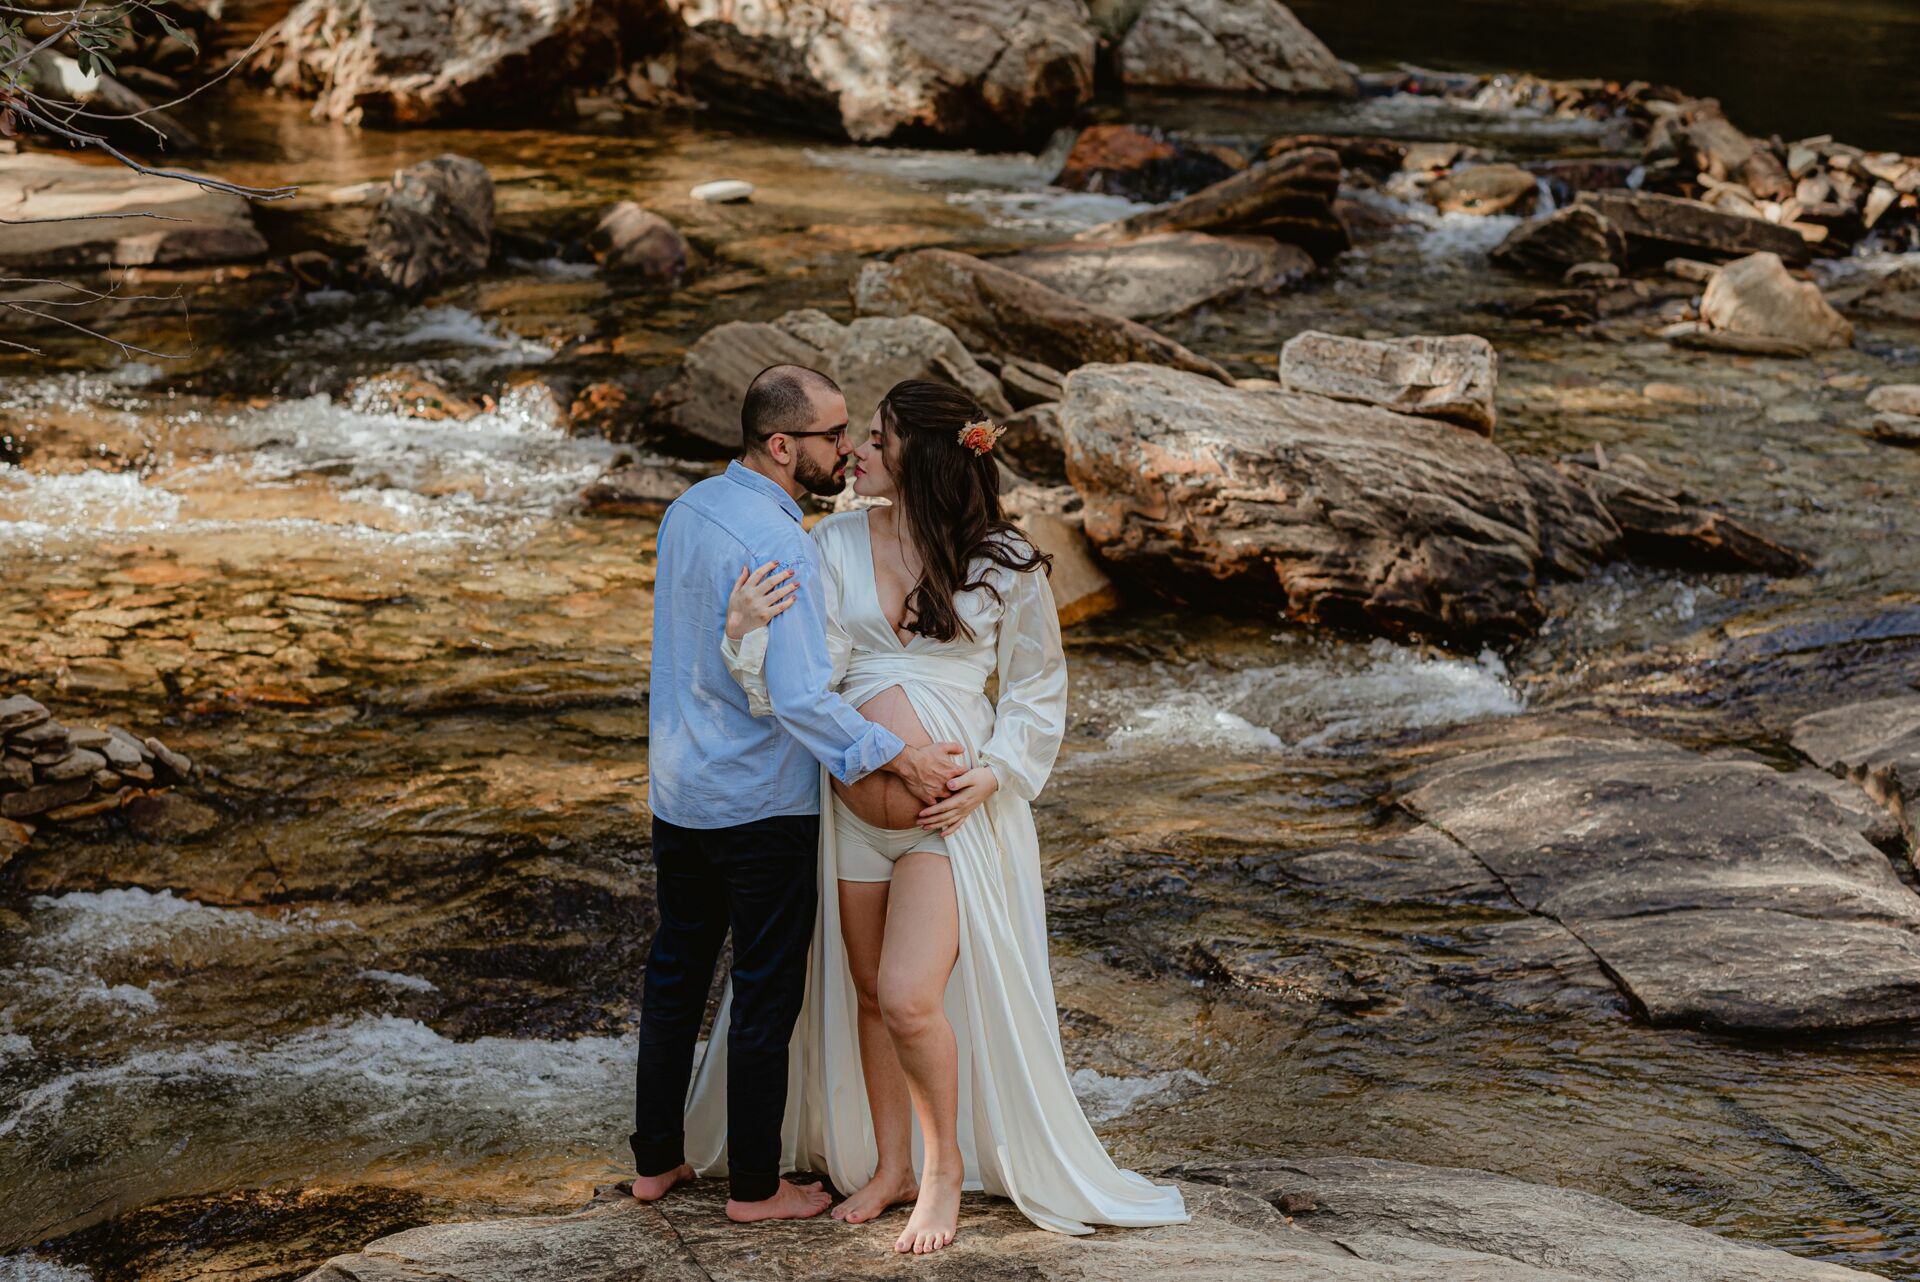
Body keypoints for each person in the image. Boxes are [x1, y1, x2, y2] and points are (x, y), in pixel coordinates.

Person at [684, 379, 1188, 1253]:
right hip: (852, 819)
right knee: (872, 996)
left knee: (914, 998)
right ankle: (892, 1165)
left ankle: (944, 1168)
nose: (856, 454)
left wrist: (995, 776)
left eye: (874, 439)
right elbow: (798, 687)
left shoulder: (1004, 562)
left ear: (920, 455)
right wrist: (741, 635)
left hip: (948, 819)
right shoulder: (832, 542)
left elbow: (1037, 688)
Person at [633, 364, 967, 1225]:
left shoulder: (686, 511)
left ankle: (655, 1164)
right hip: (760, 804)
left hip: (679, 793)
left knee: (674, 976)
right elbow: (801, 697)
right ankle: (754, 1189)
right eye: (834, 435)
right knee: (766, 993)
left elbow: (692, 650)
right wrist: (899, 757)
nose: (848, 449)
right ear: (784, 447)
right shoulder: (783, 546)